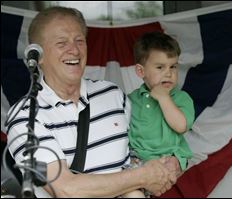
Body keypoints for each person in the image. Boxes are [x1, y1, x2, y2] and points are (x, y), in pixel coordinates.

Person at [5, 7, 179, 198]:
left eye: (80, 41)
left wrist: (168, 165)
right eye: (62, 43)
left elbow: (140, 149)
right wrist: (142, 177)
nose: (75, 50)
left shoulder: (113, 95)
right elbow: (66, 189)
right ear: (39, 56)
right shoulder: (24, 117)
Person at [127, 32, 195, 181]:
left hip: (168, 159)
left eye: (173, 67)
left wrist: (164, 98)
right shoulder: (131, 100)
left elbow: (181, 126)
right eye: (160, 67)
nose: (169, 74)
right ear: (141, 71)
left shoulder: (182, 98)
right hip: (135, 159)